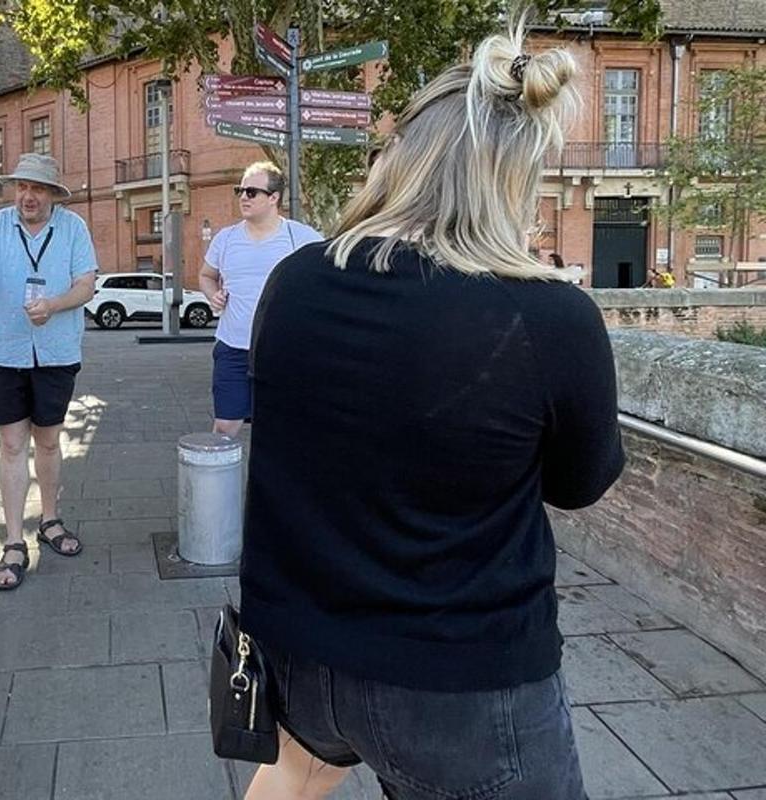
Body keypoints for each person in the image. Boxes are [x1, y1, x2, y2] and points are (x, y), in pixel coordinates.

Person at [237, 21, 625, 800]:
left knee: (293, 775)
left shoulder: (295, 284)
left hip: (301, 656)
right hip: (462, 683)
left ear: (406, 160)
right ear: (516, 178)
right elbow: (579, 483)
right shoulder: (550, 318)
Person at [0, 153, 98, 591]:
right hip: (4, 350)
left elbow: (87, 286)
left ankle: (50, 520)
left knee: (49, 441)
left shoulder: (73, 228)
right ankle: (14, 541)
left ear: (53, 194)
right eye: (22, 187)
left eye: (37, 188)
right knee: (12, 443)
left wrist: (52, 306)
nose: (28, 196)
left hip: (55, 350)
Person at [198, 162, 321, 436]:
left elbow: (329, 275)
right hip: (233, 348)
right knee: (225, 426)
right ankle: (219, 480)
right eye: (240, 190)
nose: (243, 197)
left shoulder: (300, 237)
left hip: (281, 350)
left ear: (274, 197)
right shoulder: (226, 238)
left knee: (279, 427)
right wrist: (212, 294)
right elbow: (206, 275)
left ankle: (271, 478)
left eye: (252, 192)